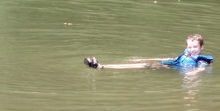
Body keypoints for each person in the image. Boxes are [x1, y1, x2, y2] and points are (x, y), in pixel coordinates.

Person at [84, 33, 213, 70]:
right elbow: (172, 59)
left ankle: (102, 66)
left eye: (195, 47)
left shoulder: (202, 61)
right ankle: (100, 66)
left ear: (201, 47)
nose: (192, 49)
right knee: (142, 63)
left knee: (142, 66)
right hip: (168, 64)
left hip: (169, 69)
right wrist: (147, 58)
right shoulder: (187, 54)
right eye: (190, 47)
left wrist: (192, 75)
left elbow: (201, 69)